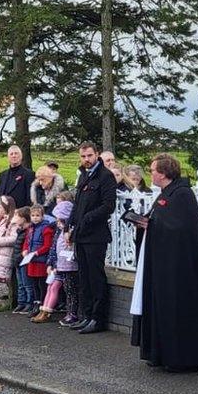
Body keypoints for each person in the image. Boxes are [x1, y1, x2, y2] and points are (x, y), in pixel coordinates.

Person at [130, 153, 198, 372]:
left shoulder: (182, 194)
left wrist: (153, 225)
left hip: (178, 268)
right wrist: (143, 221)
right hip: (160, 263)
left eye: (153, 170)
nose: (151, 174)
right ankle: (159, 353)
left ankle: (180, 358)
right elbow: (159, 218)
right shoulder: (165, 193)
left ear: (164, 173)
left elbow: (181, 228)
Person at [69, 141, 117, 334]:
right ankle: (86, 315)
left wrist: (88, 218)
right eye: (83, 156)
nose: (86, 160)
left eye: (89, 156)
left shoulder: (105, 177)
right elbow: (78, 203)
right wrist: (70, 224)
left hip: (95, 235)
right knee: (84, 277)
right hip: (81, 234)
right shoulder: (84, 175)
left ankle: (98, 318)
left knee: (96, 277)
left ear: (97, 154)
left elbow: (108, 205)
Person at [31, 200, 78, 325]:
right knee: (50, 286)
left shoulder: (71, 231)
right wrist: (51, 263)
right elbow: (53, 248)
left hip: (68, 265)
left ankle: (69, 313)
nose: (58, 222)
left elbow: (70, 249)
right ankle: (44, 310)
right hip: (58, 265)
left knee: (67, 290)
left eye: (60, 220)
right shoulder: (58, 231)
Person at [21, 204, 55, 317]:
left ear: (42, 216)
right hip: (31, 260)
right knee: (34, 283)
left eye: (37, 215)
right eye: (33, 215)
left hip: (40, 260)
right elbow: (27, 242)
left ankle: (42, 304)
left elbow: (47, 245)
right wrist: (25, 250)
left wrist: (37, 252)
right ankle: (36, 303)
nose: (35, 218)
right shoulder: (30, 229)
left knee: (41, 284)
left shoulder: (46, 228)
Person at [10, 207, 34, 313]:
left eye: (18, 216)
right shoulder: (20, 230)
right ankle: (21, 302)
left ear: (24, 218)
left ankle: (29, 303)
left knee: (26, 283)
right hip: (17, 260)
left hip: (23, 259)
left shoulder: (28, 231)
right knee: (20, 284)